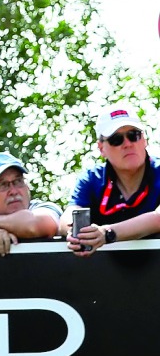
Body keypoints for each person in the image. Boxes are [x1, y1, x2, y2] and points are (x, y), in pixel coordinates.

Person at [67, 104, 160, 256]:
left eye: (134, 135)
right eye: (116, 140)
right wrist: (74, 231)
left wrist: (107, 234)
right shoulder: (91, 178)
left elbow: (158, 219)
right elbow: (70, 214)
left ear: (144, 140)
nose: (128, 144)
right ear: (101, 148)